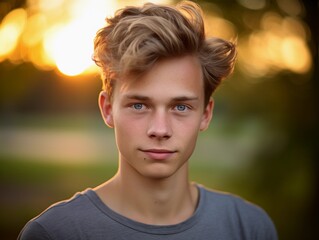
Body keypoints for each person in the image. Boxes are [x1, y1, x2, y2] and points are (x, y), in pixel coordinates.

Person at [18, 1, 277, 239]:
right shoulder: (54, 233)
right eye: (139, 105)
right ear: (108, 109)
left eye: (181, 107)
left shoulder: (249, 227)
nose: (160, 130)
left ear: (205, 114)